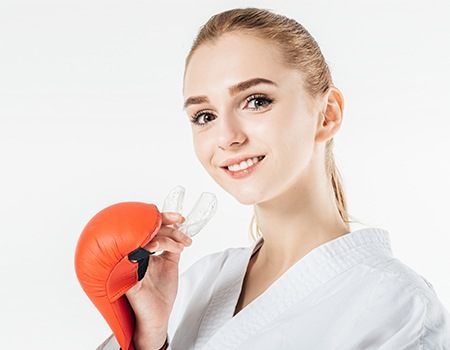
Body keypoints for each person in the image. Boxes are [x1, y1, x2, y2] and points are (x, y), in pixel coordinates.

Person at [97, 7, 450, 350]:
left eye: (256, 101)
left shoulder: (397, 306)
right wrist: (147, 338)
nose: (227, 136)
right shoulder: (196, 284)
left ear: (326, 114)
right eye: (204, 116)